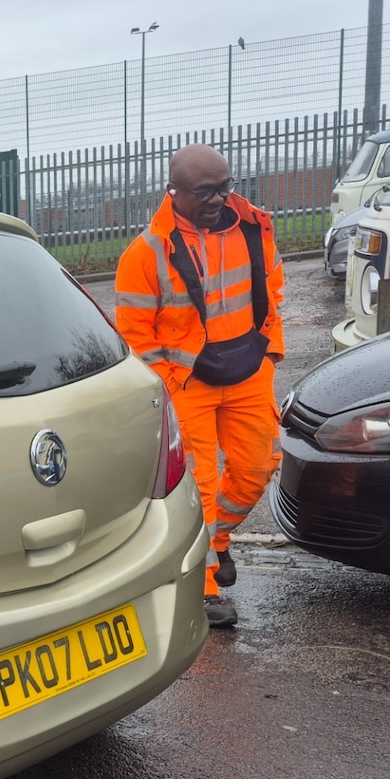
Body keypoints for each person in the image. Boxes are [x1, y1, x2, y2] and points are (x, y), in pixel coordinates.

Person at [114, 144, 284, 629]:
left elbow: (272, 292)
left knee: (257, 468)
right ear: (175, 191)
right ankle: (204, 587)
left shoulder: (254, 228)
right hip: (187, 382)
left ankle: (216, 542)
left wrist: (270, 352)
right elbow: (135, 336)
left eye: (225, 186)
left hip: (248, 372)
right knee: (200, 486)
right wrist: (170, 385)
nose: (218, 199)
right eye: (205, 191)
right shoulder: (146, 253)